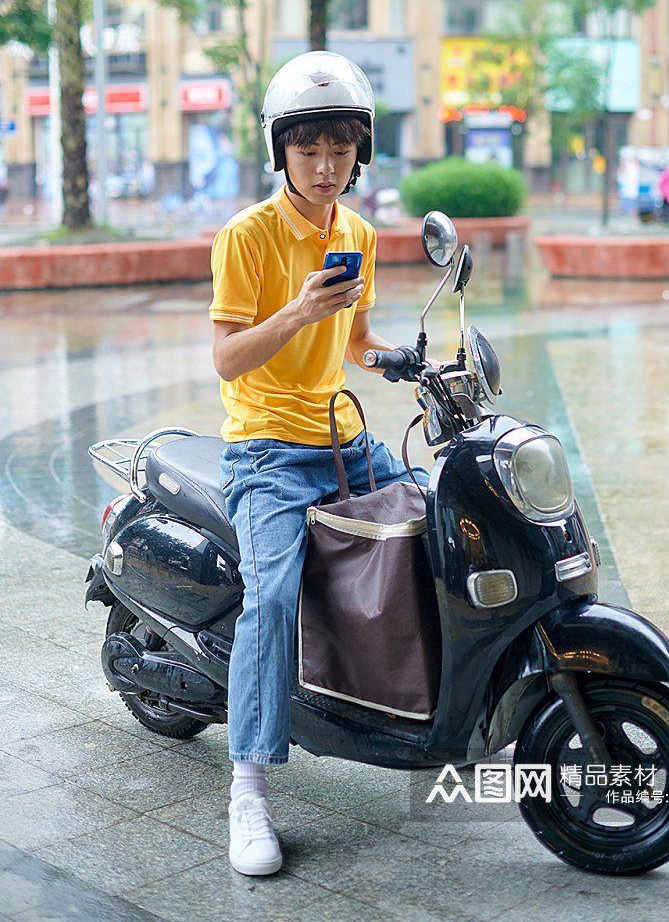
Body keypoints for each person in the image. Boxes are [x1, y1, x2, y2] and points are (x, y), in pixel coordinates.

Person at [208, 51, 425, 876]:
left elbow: (359, 340)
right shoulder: (248, 236)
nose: (327, 165)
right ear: (282, 151)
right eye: (310, 149)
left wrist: (401, 360)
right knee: (268, 596)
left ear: (360, 151)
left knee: (433, 520)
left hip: (342, 436)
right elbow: (228, 360)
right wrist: (299, 310)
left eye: (342, 148)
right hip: (265, 447)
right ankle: (249, 787)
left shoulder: (359, 234)